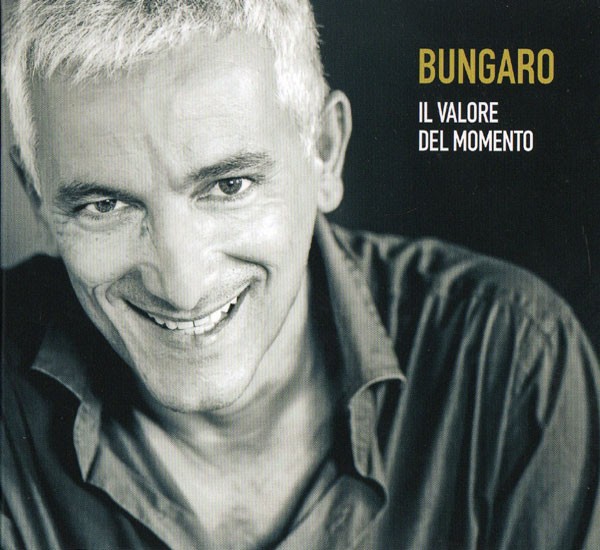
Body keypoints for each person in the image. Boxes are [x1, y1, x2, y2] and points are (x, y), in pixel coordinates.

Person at [2, 1, 599, 548]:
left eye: (229, 186)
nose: (181, 286)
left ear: (325, 152)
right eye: (104, 206)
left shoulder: (512, 364)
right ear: (37, 199)